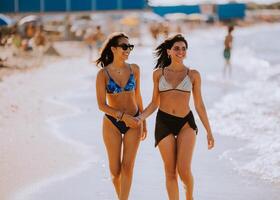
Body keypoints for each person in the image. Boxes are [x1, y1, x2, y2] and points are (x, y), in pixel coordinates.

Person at [136, 34, 214, 200]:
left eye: (184, 48)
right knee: (170, 172)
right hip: (164, 123)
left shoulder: (193, 75)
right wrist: (140, 118)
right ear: (169, 51)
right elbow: (154, 103)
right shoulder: (158, 74)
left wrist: (209, 130)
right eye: (177, 48)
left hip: (186, 123)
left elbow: (199, 105)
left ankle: (189, 197)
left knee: (183, 170)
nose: (181, 51)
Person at [95, 32, 147, 200]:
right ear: (113, 49)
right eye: (124, 46)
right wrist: (122, 116)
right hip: (112, 122)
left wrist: (143, 120)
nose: (128, 50)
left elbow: (138, 96)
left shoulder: (135, 69)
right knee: (115, 171)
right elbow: (101, 105)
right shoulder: (103, 74)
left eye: (129, 47)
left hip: (134, 121)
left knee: (128, 167)